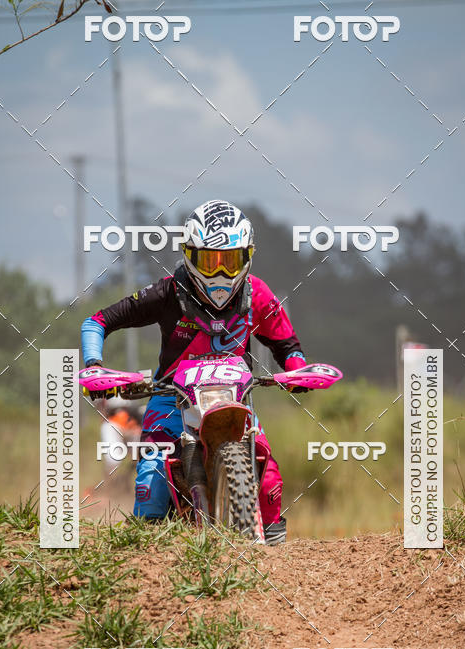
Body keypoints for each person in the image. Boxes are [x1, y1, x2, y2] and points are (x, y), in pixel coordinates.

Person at [81, 199, 307, 544]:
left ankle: (274, 564)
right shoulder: (168, 292)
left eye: (229, 261)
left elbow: (287, 344)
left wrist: (297, 371)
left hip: (234, 402)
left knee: (269, 480)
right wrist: (94, 366)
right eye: (209, 261)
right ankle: (147, 563)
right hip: (170, 402)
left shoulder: (256, 294)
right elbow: (97, 321)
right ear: (189, 255)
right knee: (152, 483)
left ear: (247, 256)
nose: (219, 273)